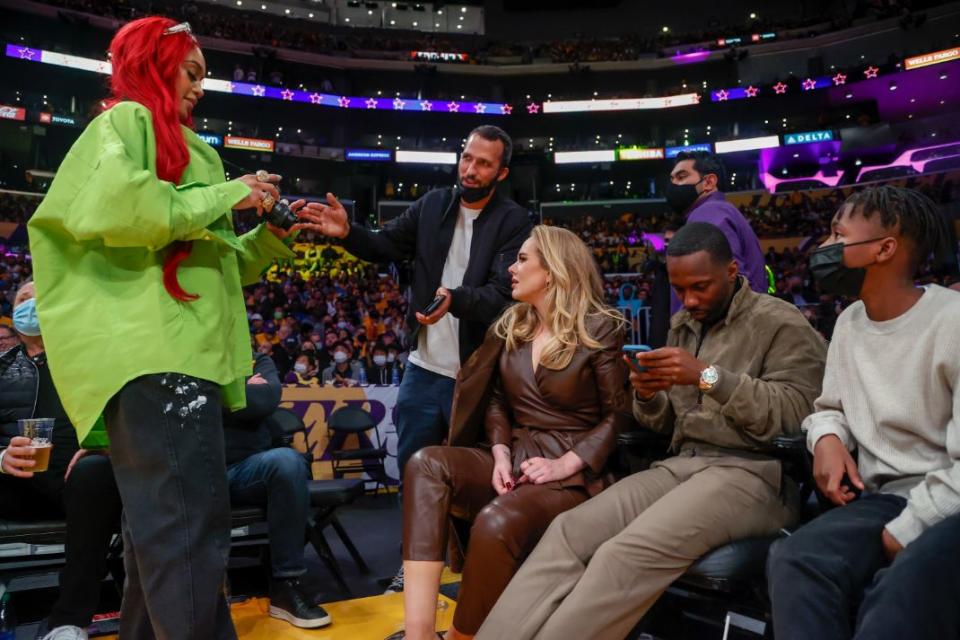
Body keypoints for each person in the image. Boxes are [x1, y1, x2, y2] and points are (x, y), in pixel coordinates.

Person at [26, 17, 313, 639]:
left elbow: (214, 259)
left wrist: (273, 234)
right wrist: (230, 194)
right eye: (192, 72)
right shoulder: (126, 122)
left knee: (160, 539)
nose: (201, 88)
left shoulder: (184, 147)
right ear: (156, 65)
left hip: (179, 356)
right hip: (159, 358)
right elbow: (133, 211)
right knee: (185, 535)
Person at [476, 222, 827, 640]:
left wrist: (708, 376)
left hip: (752, 473)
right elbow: (666, 422)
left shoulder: (780, 322)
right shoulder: (684, 325)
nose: (689, 300)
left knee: (621, 555)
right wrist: (645, 395)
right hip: (680, 465)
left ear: (732, 271)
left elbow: (796, 415)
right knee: (567, 534)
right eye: (680, 289)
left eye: (700, 287)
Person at [392, 226, 629, 640]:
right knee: (425, 463)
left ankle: (462, 636)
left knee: (495, 521)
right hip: (514, 453)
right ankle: (419, 633)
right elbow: (497, 401)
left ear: (553, 271)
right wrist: (500, 453)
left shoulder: (601, 327)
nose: (510, 268)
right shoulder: (512, 324)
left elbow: (618, 415)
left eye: (522, 259)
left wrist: (564, 465)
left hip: (572, 471)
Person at [767, 186, 960, 640]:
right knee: (793, 560)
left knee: (896, 594)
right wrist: (827, 439)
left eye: (838, 235)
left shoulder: (951, 320)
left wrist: (909, 527)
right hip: (882, 500)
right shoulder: (851, 322)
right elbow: (829, 408)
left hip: (949, 503)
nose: (824, 248)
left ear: (884, 248)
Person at [303, 125, 532, 474]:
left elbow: (504, 295)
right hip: (423, 369)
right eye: (467, 158)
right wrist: (349, 233)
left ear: (501, 173)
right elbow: (385, 244)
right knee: (413, 476)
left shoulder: (513, 220)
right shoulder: (433, 204)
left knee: (472, 479)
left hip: (479, 375)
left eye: (484, 164)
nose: (470, 170)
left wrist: (454, 299)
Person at [0, 282, 122, 640]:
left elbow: (121, 413)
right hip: (12, 482)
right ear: (12, 312)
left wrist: (106, 443)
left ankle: (68, 621)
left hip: (79, 482)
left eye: (42, 297)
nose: (33, 304)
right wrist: (3, 456)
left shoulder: (91, 359)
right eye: (24, 299)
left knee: (96, 471)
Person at [224, 352, 330, 629]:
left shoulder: (257, 359)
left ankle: (286, 584)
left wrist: (216, 392)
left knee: (286, 461)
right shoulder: (190, 353)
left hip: (244, 469)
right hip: (194, 467)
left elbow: (264, 400)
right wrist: (243, 387)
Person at [664, 152, 767, 310]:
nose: (673, 185)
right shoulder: (718, 210)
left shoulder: (709, 212)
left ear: (709, 182)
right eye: (672, 179)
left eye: (681, 177)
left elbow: (731, 283)